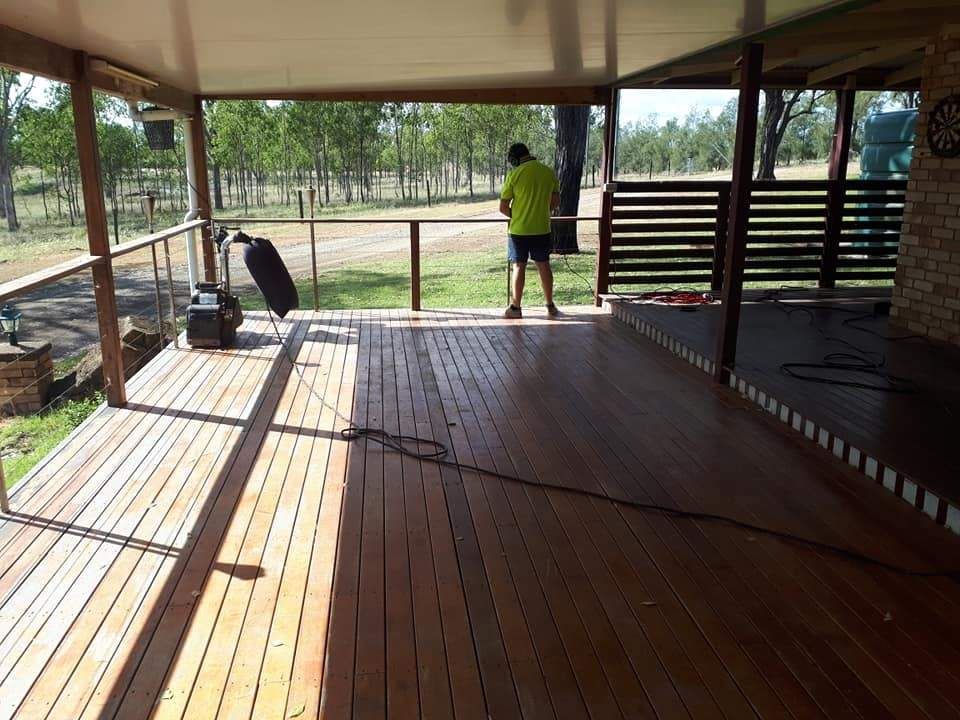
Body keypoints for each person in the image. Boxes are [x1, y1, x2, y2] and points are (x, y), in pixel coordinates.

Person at [499, 142, 561, 319]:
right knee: (544, 265)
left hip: (519, 230)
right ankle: (550, 305)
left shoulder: (514, 174)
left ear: (515, 159)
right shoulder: (548, 172)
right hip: (542, 228)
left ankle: (516, 308)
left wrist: (517, 214)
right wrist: (541, 211)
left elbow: (503, 207)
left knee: (519, 266)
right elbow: (555, 201)